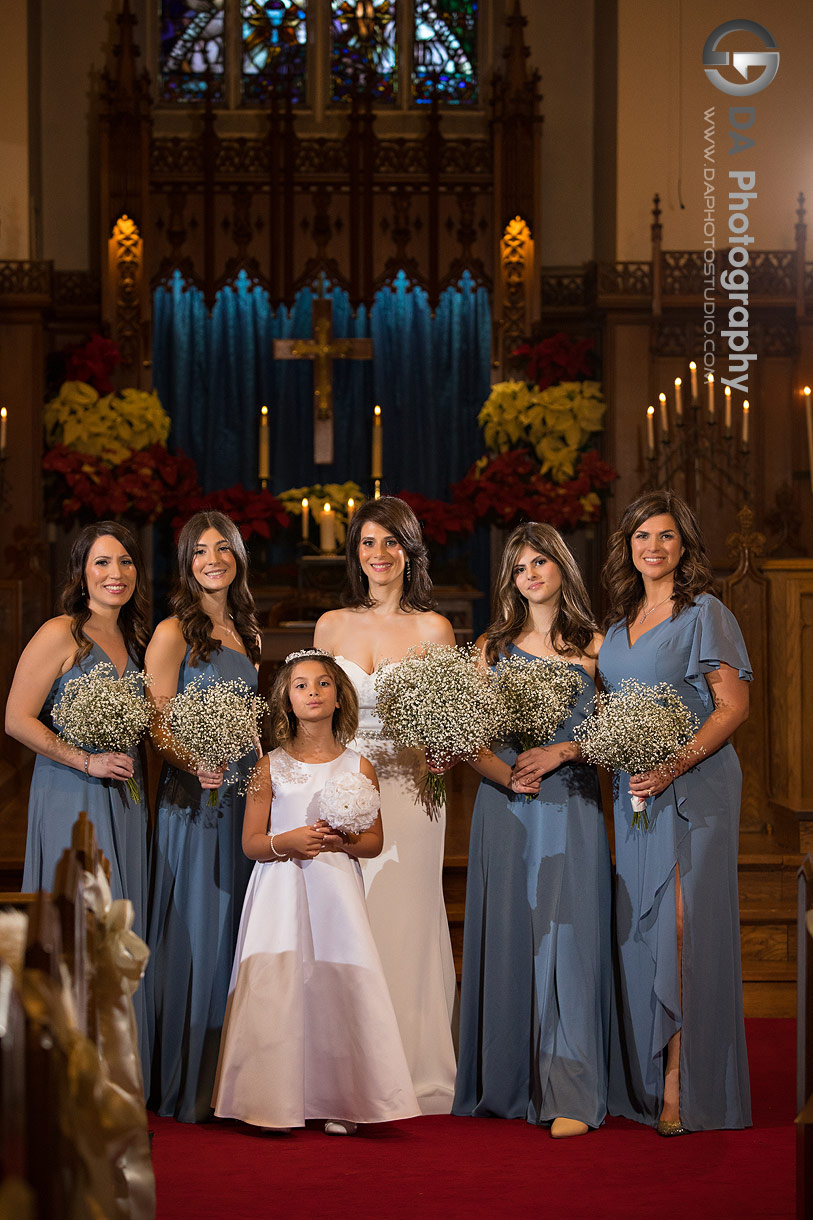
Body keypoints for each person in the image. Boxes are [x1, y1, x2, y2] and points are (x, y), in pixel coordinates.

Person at [213, 650, 420, 1134]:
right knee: (280, 981)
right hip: (279, 890)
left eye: (323, 683)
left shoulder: (358, 765)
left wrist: (341, 839)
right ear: (286, 698)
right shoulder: (269, 766)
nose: (312, 692)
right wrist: (284, 842)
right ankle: (269, 1097)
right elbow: (250, 844)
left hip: (335, 893)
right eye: (301, 685)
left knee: (335, 982)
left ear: (338, 695)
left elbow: (373, 843)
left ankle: (341, 1098)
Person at [599, 489, 752, 1134]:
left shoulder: (704, 614)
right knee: (643, 932)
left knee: (684, 934)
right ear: (627, 547)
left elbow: (732, 707)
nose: (652, 547)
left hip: (695, 791)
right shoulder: (615, 626)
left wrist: (672, 765)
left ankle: (682, 1086)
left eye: (665, 536)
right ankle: (641, 1075)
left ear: (683, 547)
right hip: (634, 795)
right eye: (641, 536)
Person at [453, 522, 612, 1138]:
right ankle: (509, 1081)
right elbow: (465, 737)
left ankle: (570, 1090)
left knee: (566, 938)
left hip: (570, 803)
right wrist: (506, 775)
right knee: (514, 933)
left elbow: (619, 733)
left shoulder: (596, 648)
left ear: (563, 568)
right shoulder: (489, 649)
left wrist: (566, 751)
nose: (532, 574)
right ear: (510, 581)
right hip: (506, 806)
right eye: (520, 568)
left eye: (542, 562)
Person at [313, 496, 457, 1114]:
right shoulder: (331, 625)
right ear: (356, 553)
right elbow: (314, 714)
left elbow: (450, 721)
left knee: (405, 920)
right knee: (350, 920)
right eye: (368, 543)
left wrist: (445, 746)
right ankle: (348, 1073)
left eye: (391, 543)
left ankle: (411, 1069)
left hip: (409, 789)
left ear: (410, 551)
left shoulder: (433, 629)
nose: (379, 555)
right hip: (344, 789)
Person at [7, 520, 151, 1076]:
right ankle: (69, 1078)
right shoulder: (60, 632)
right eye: (102, 563)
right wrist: (84, 759)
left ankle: (116, 1073)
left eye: (125, 562)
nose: (115, 574)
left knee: (118, 930)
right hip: (73, 792)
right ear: (81, 572)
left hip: (125, 796)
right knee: (81, 927)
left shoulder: (133, 638)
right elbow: (16, 719)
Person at [145, 510, 261, 1122]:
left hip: (241, 798)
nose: (212, 559)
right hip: (194, 800)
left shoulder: (245, 629)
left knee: (237, 931)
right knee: (198, 924)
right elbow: (157, 721)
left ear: (238, 556)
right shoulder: (172, 632)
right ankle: (188, 1080)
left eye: (223, 548)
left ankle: (230, 1079)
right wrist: (194, 763)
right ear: (186, 563)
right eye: (199, 551)